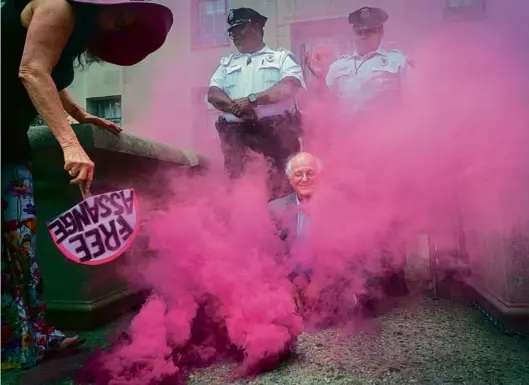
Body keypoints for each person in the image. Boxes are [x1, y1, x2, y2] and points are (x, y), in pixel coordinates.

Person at [1, 0, 173, 370]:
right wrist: (69, 143)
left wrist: (79, 114)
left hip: (8, 137)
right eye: (121, 15)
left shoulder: (77, 29)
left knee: (22, 242)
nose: (118, 25)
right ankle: (11, 347)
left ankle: (35, 334)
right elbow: (31, 69)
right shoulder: (57, 5)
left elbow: (46, 69)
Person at [208, 7, 305, 199]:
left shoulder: (281, 58)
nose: (234, 35)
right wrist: (237, 109)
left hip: (276, 138)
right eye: (231, 32)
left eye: (239, 29)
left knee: (280, 193)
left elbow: (289, 86)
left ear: (256, 27)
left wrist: (253, 100)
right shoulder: (226, 64)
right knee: (240, 193)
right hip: (237, 140)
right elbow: (213, 94)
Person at [306, 6, 411, 123]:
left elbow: (413, 103)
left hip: (386, 135)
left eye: (370, 31)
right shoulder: (339, 66)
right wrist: (320, 78)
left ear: (381, 32)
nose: (363, 36)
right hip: (348, 136)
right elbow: (326, 103)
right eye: (359, 32)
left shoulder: (397, 61)